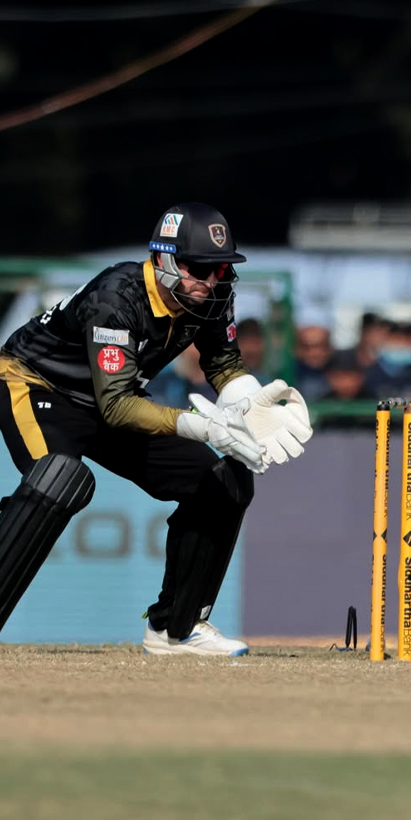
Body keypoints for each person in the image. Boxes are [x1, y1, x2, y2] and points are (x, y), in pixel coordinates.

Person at [0, 203, 312, 656]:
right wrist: (203, 427)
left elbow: (221, 361)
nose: (210, 280)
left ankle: (175, 628)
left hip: (114, 397)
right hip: (37, 384)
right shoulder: (117, 296)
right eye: (198, 268)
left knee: (223, 481)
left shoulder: (213, 293)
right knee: (60, 480)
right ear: (165, 259)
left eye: (220, 268)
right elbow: (116, 408)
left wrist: (249, 402)